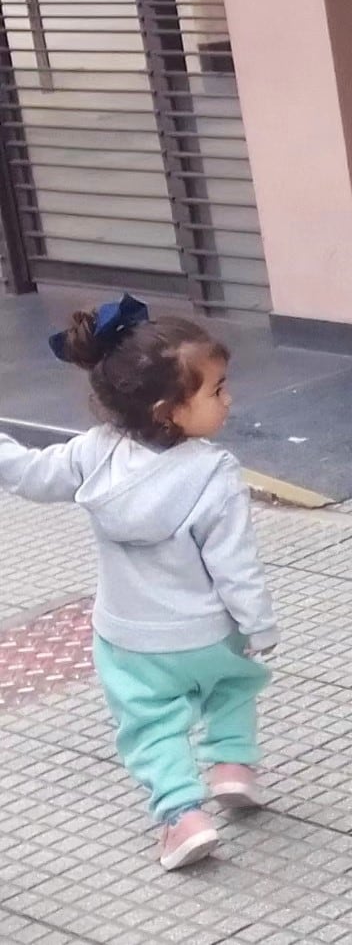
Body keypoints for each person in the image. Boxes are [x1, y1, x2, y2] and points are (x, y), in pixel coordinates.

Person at [0, 295, 278, 871]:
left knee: (151, 724)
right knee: (233, 685)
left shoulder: (90, 455)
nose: (229, 399)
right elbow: (234, 563)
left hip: (129, 639)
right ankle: (232, 766)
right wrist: (258, 623)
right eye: (216, 390)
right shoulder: (215, 473)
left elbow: (29, 474)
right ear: (167, 410)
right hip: (208, 632)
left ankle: (182, 816)